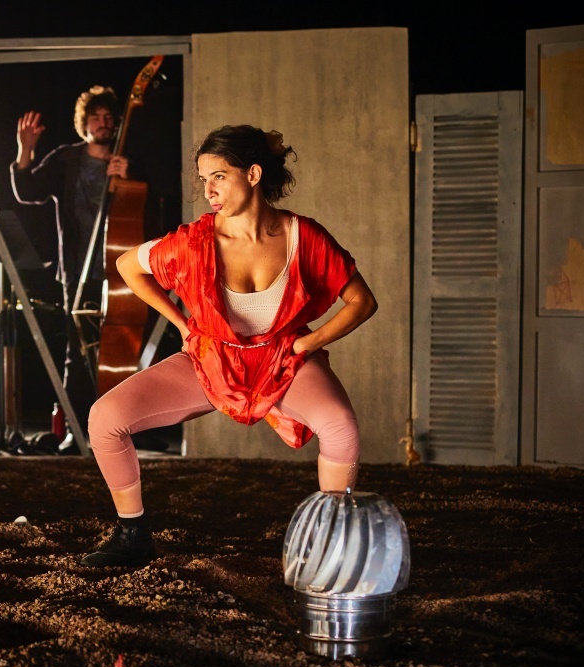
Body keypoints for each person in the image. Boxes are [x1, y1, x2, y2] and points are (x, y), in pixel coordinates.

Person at [79, 124, 378, 567]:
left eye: (218, 176)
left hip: (281, 361)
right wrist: (181, 322)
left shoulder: (304, 236)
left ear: (253, 174)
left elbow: (362, 301)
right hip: (211, 360)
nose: (209, 190)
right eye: (203, 179)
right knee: (105, 418)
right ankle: (133, 534)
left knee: (342, 429)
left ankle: (331, 545)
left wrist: (309, 343)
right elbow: (127, 265)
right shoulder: (194, 241)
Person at [10, 86, 145, 453]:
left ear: (116, 123)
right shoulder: (66, 159)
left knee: (121, 350)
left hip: (122, 270)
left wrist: (130, 176)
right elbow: (28, 191)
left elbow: (156, 199)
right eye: (94, 117)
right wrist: (25, 150)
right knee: (77, 351)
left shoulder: (129, 158)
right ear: (83, 123)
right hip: (77, 271)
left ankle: (121, 428)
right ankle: (76, 431)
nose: (102, 123)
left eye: (108, 118)